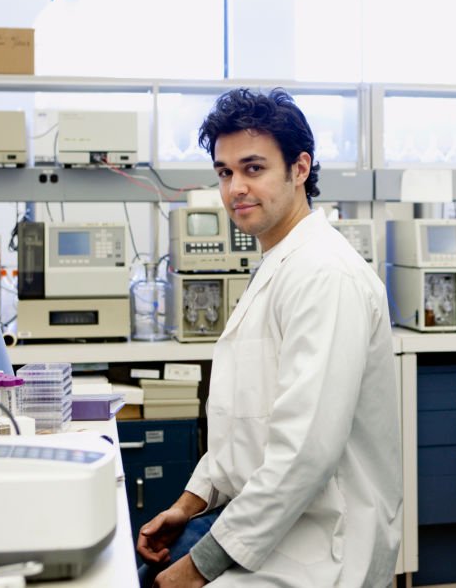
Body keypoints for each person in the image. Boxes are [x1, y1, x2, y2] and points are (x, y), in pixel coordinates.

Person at [137, 88, 402, 587]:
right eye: (224, 171)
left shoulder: (325, 275)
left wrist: (197, 568)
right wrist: (187, 505)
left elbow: (304, 454)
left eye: (253, 168)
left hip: (323, 550)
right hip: (273, 529)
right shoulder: (280, 264)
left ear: (300, 169)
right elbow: (247, 426)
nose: (235, 186)